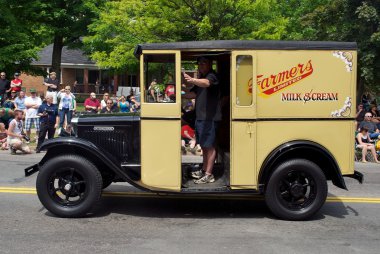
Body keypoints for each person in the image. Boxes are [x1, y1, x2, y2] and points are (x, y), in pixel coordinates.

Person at [184, 56, 221, 184]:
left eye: (204, 62)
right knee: (204, 146)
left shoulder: (212, 76)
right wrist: (178, 94)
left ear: (210, 64)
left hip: (210, 118)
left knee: (209, 146)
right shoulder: (200, 79)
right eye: (199, 63)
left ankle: (209, 175)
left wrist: (192, 79)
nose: (201, 65)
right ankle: (204, 170)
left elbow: (207, 83)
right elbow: (193, 94)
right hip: (201, 118)